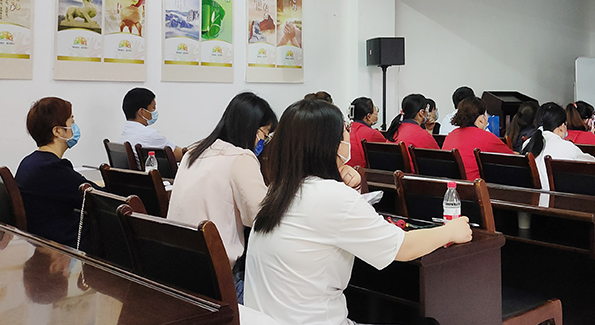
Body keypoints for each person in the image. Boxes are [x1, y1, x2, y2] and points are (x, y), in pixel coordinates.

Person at [244, 99, 472, 325]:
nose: (347, 137)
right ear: (330, 144)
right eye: (344, 131)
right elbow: (403, 248)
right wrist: (450, 231)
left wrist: (346, 187)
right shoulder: (331, 196)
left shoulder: (278, 191)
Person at [167, 92, 277, 303]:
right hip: (219, 280)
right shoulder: (241, 158)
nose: (264, 141)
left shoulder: (194, 152)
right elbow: (259, 218)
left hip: (181, 268)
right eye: (265, 134)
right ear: (252, 129)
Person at [15, 97, 94, 249]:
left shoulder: (30, 162)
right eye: (72, 122)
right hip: (63, 246)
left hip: (42, 240)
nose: (75, 127)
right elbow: (98, 197)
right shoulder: (52, 168)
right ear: (57, 131)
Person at [521, 102, 595, 190]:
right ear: (561, 126)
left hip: (531, 196)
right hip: (555, 197)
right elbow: (592, 164)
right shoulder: (567, 147)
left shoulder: (527, 144)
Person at [442, 97, 513, 180]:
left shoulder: (451, 135)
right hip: (475, 185)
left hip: (451, 184)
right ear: (481, 119)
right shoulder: (487, 137)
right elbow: (514, 161)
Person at [120, 87, 184, 166]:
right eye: (153, 108)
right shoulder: (150, 135)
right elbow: (183, 156)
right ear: (142, 112)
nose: (154, 112)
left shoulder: (124, 134)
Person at [347, 96, 386, 168]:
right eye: (375, 110)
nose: (377, 113)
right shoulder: (373, 134)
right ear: (368, 116)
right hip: (362, 172)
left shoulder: (345, 130)